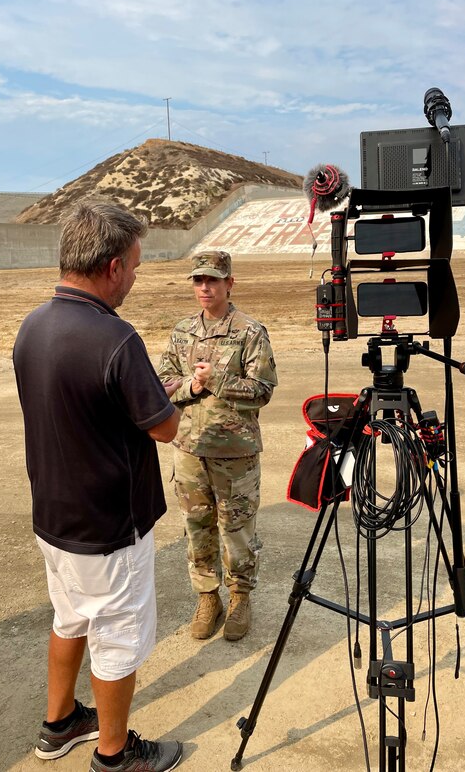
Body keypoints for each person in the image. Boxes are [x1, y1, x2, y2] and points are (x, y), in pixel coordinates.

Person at [13, 201, 184, 772]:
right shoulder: (115, 338)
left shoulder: (33, 324)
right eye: (134, 266)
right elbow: (163, 427)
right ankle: (114, 755)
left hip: (54, 517)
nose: (134, 278)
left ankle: (58, 724)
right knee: (116, 638)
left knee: (69, 619)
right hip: (109, 525)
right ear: (112, 266)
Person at [158, 250, 277, 642]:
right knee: (197, 529)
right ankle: (208, 597)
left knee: (238, 530)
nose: (205, 287)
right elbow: (162, 384)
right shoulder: (182, 331)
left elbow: (262, 391)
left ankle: (240, 596)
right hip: (190, 450)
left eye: (212, 279)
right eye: (198, 280)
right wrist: (189, 387)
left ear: (229, 283)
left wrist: (217, 383)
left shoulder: (249, 331)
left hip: (235, 454)